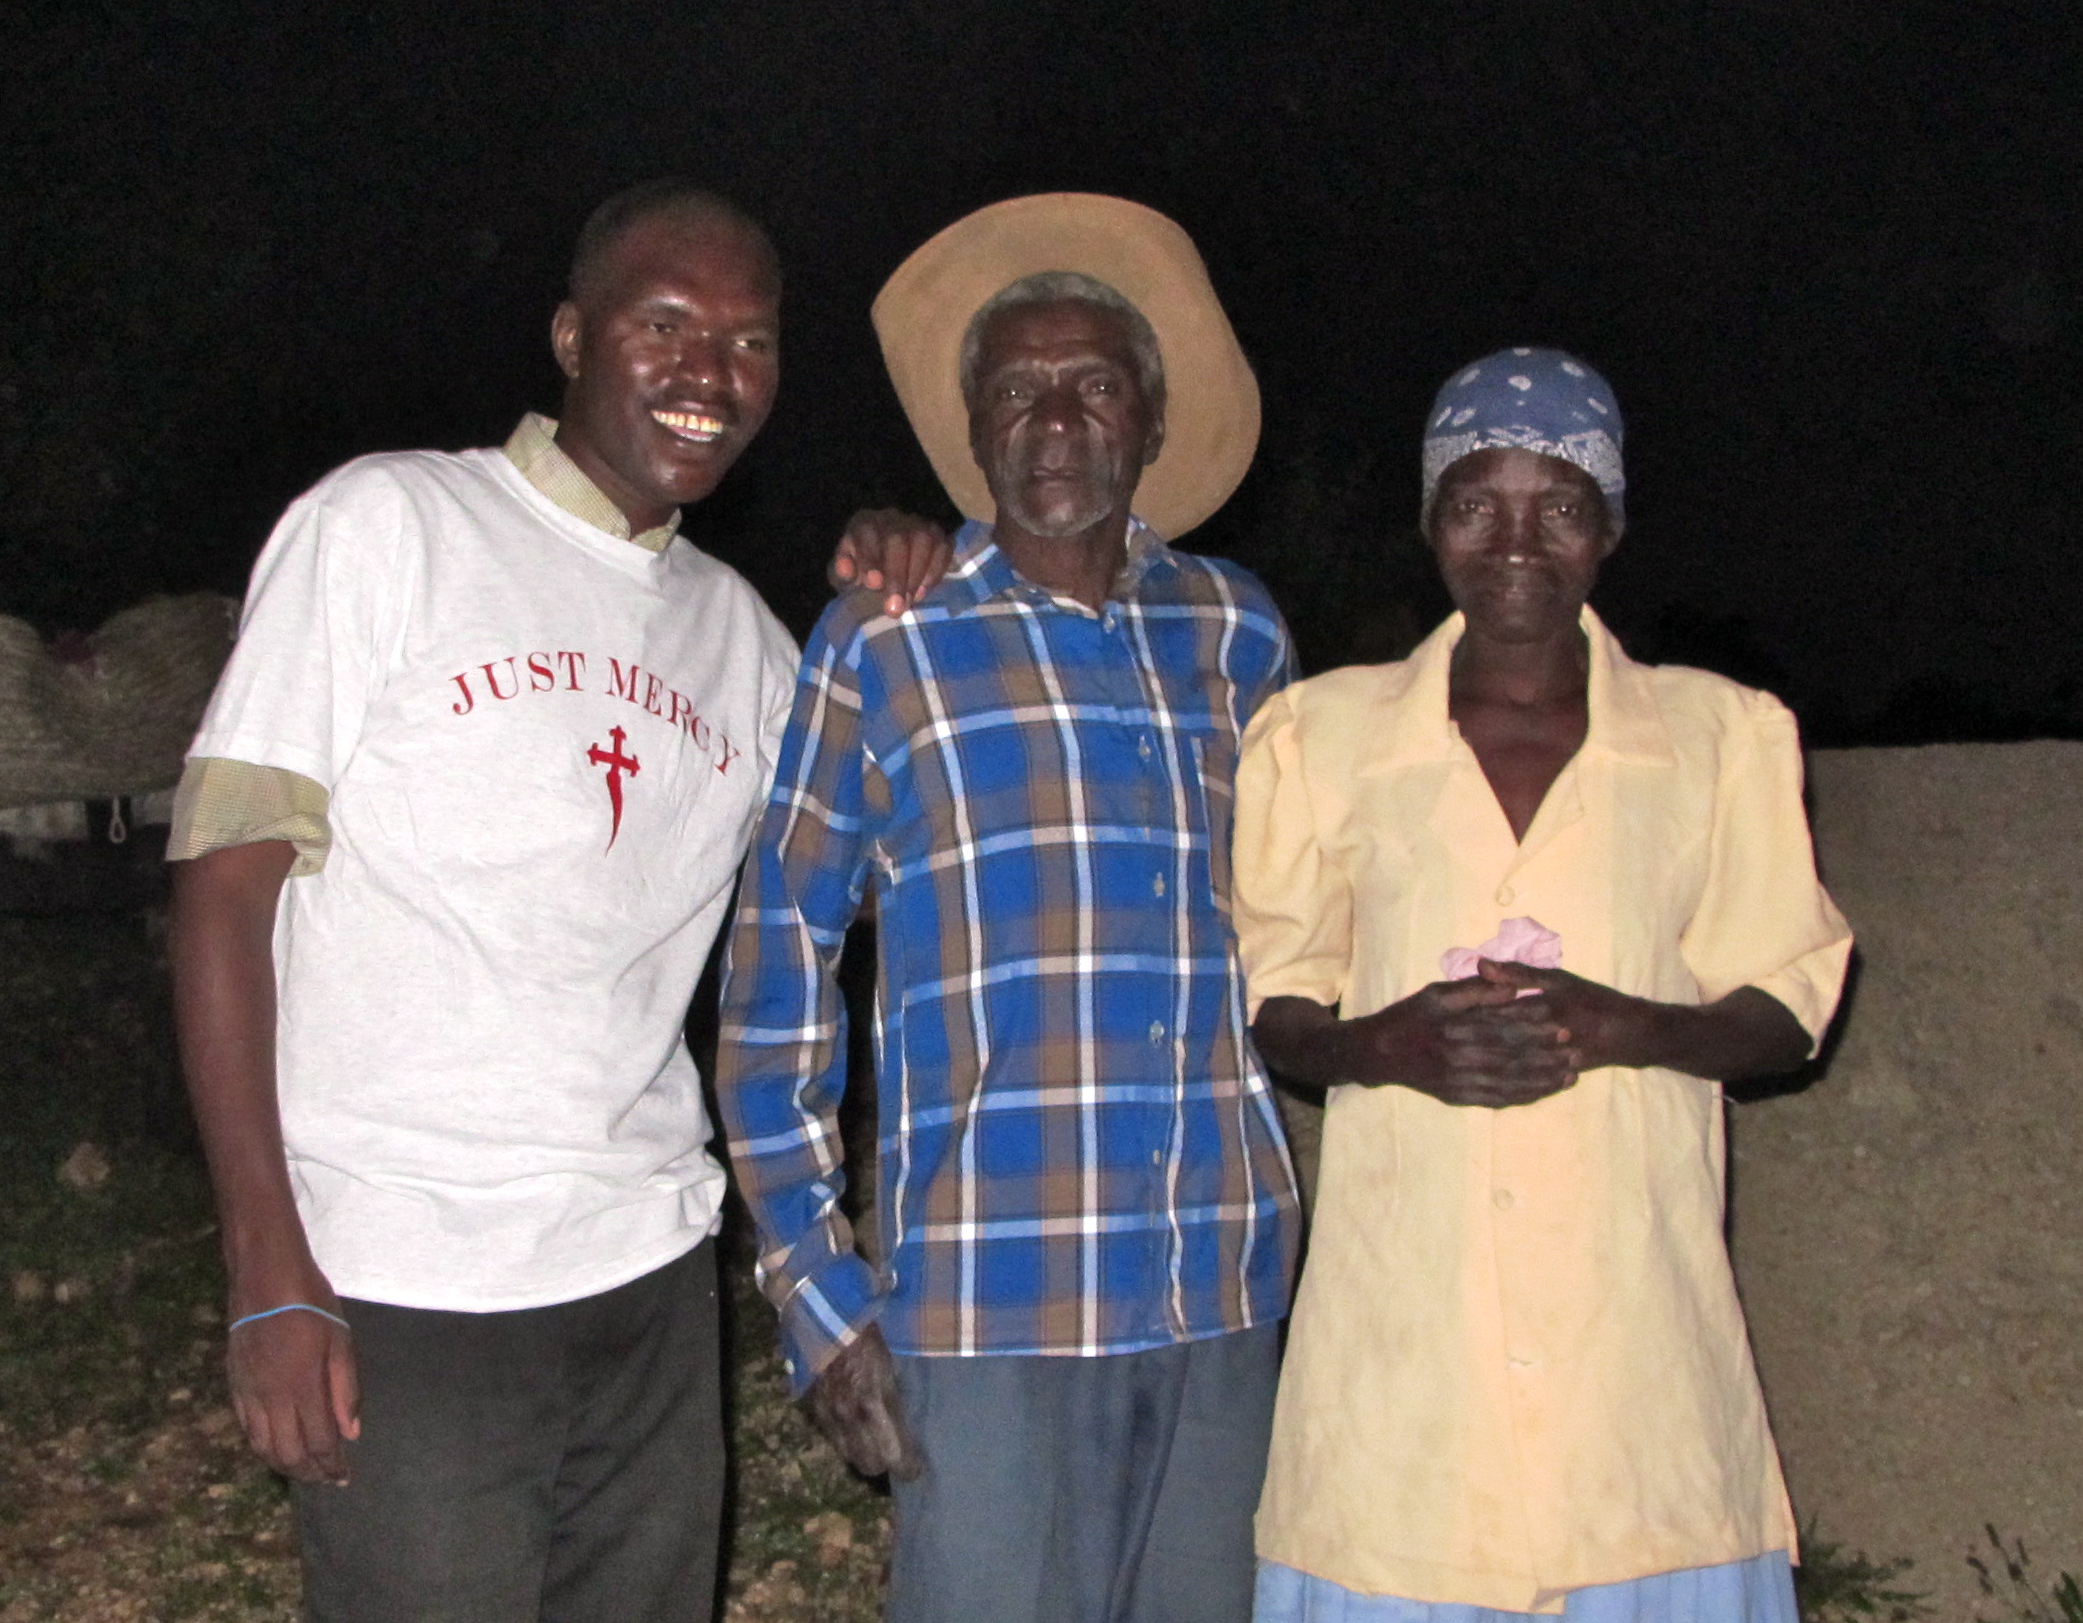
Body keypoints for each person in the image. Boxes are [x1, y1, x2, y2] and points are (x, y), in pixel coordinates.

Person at [169, 180, 943, 1623]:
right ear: (574, 336)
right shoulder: (390, 526)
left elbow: (900, 858)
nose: (712, 371)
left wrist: (920, 577)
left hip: (650, 1270)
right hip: (407, 1273)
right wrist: (266, 1260)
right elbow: (221, 892)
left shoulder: (748, 641)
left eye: (752, 340)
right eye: (667, 324)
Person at [713, 193, 1302, 1623]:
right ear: (974, 428)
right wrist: (817, 1293)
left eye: (1095, 382)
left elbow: (1310, 929)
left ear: (1151, 421)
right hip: (987, 1304)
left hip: (1223, 1286)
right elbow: (776, 966)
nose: (1054, 415)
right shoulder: (886, 635)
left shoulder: (1242, 634)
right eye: (1016, 387)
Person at [1233, 348, 1855, 1623]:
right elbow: (1279, 998)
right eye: (1476, 503)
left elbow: (1786, 1009)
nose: (1515, 543)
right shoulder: (1322, 734)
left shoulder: (1719, 736)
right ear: (1428, 522)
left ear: (1611, 527)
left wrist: (1631, 1024)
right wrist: (1381, 1046)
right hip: (1403, 1376)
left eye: (1559, 505)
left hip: (1639, 1374)